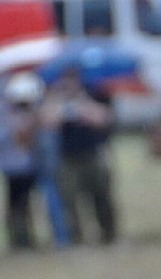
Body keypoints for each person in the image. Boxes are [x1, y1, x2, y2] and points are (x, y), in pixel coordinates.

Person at [39, 66, 118, 245]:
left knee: (101, 196)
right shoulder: (57, 99)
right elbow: (47, 121)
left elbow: (104, 119)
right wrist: (64, 109)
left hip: (92, 153)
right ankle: (75, 237)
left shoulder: (94, 95)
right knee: (69, 200)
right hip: (68, 156)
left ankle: (109, 234)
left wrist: (83, 109)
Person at [1, 71, 44, 251]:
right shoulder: (7, 111)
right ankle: (19, 239)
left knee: (25, 202)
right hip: (13, 165)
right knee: (17, 203)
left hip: (28, 163)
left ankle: (25, 237)